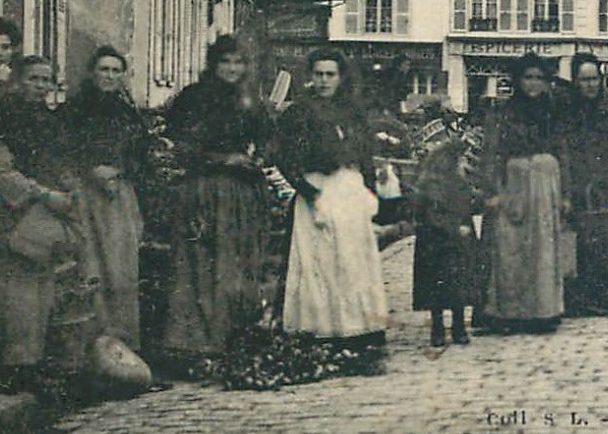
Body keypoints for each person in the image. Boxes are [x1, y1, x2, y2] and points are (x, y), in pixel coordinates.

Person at [0, 56, 84, 392]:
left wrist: (69, 188)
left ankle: (28, 363)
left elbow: (61, 162)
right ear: (17, 80)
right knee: (3, 296)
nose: (40, 86)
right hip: (6, 216)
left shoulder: (50, 121)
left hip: (39, 220)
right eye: (33, 79)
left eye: (46, 80)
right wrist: (45, 195)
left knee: (35, 298)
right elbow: (0, 173)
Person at [161, 36, 274, 366]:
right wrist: (224, 159)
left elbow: (268, 137)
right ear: (214, 64)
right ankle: (197, 342)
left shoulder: (250, 99)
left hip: (242, 194)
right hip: (204, 190)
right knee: (200, 264)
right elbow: (182, 144)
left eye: (239, 62)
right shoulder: (194, 98)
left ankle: (233, 337)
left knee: (237, 265)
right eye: (226, 62)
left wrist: (260, 156)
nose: (232, 69)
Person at [275, 48, 388, 373]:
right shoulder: (297, 113)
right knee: (319, 264)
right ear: (310, 77)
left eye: (330, 74)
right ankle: (321, 333)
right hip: (318, 193)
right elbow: (283, 156)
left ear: (341, 77)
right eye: (319, 74)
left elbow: (365, 154)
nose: (324, 81)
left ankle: (357, 332)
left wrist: (370, 191)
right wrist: (309, 192)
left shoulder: (352, 111)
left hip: (349, 191)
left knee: (353, 263)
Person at [60, 46, 149, 350]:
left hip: (119, 196)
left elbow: (141, 154)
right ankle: (91, 345)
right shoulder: (73, 110)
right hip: (85, 196)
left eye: (115, 71)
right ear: (91, 73)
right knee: (90, 266)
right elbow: (63, 150)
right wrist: (91, 170)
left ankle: (123, 344)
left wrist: (119, 171)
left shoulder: (128, 113)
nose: (109, 76)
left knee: (122, 270)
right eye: (103, 70)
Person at [480, 53, 572, 333]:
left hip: (546, 186)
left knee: (543, 249)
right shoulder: (505, 113)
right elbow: (493, 153)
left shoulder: (554, 113)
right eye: (527, 78)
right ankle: (511, 313)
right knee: (512, 248)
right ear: (518, 81)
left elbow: (563, 152)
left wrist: (566, 193)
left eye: (539, 78)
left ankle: (542, 312)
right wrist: (492, 190)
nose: (533, 84)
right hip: (515, 184)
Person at [561, 54, 608, 316]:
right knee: (580, 243)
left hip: (607, 183)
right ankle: (579, 299)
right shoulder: (568, 111)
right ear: (575, 81)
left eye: (594, 79)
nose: (590, 85)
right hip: (578, 182)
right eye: (584, 80)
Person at [412, 127, 483, 347]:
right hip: (438, 242)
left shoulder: (457, 182)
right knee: (440, 289)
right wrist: (456, 228)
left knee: (457, 287)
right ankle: (439, 328)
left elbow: (469, 203)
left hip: (453, 242)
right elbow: (432, 216)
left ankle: (457, 326)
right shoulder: (432, 185)